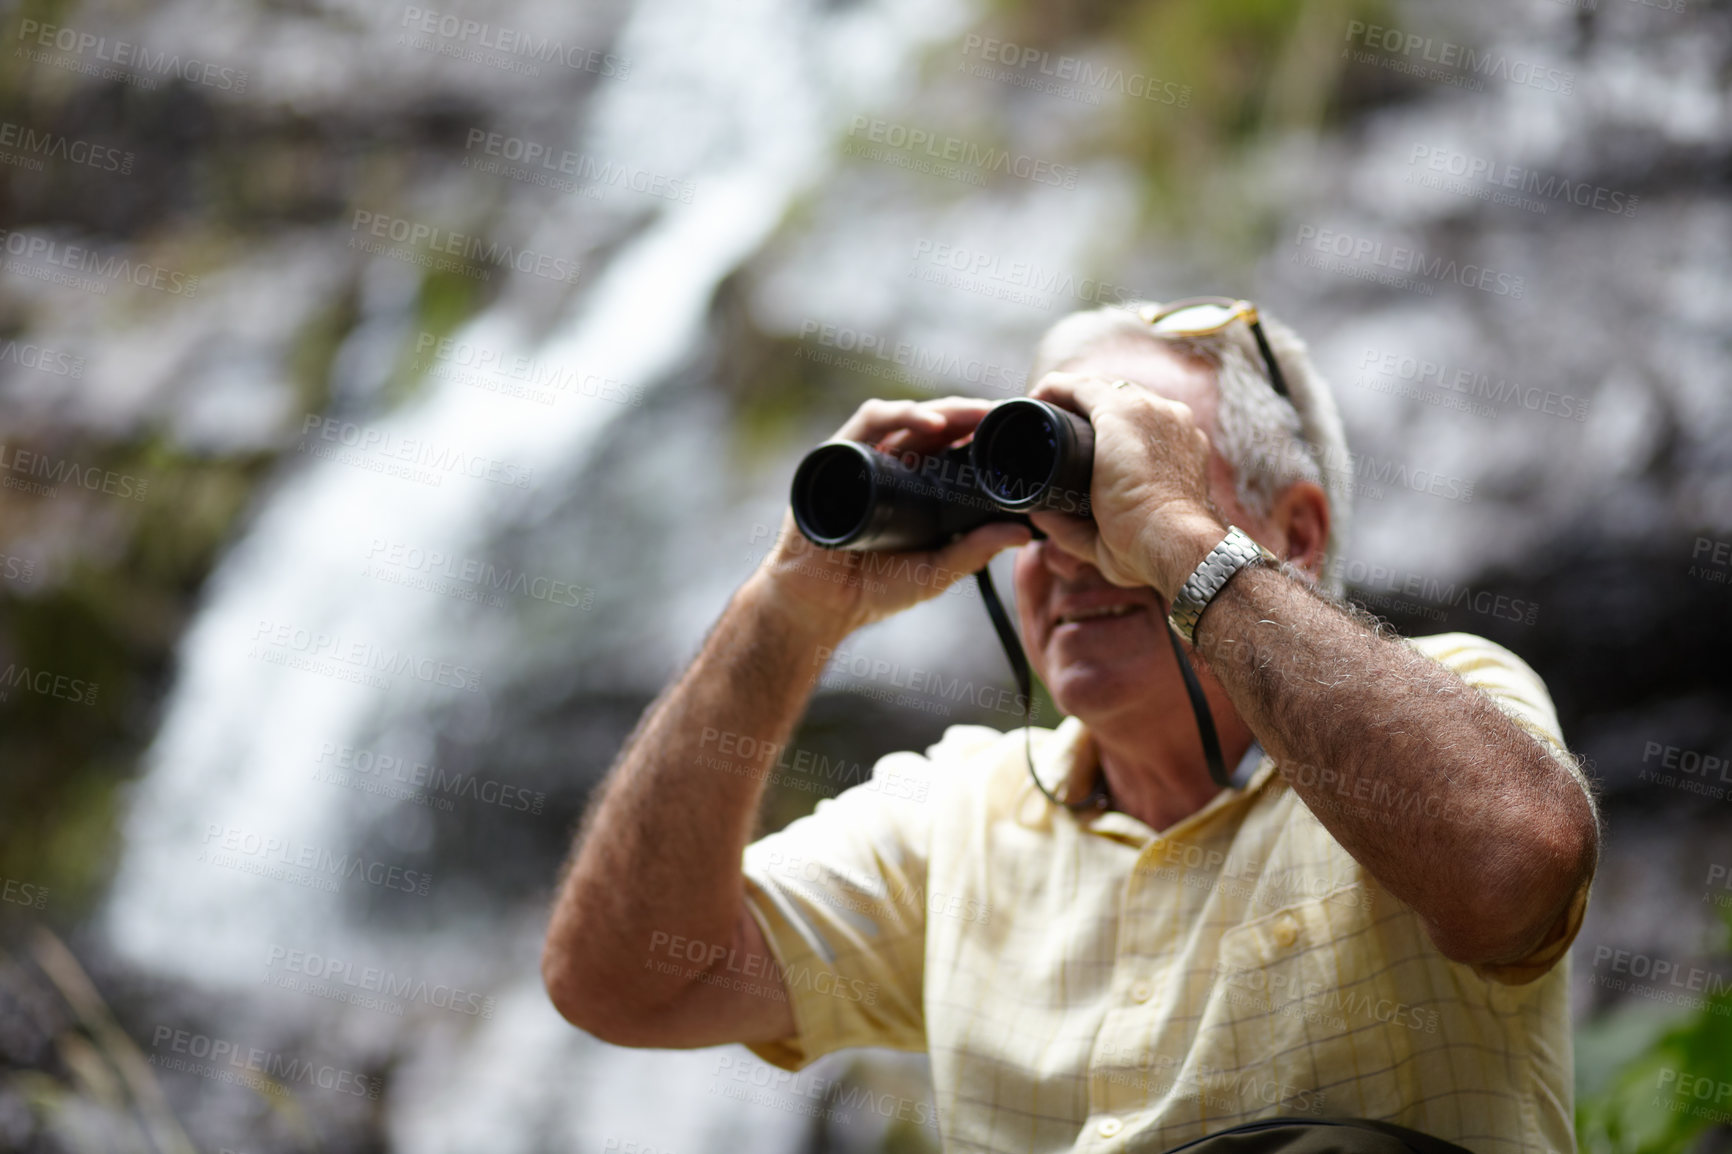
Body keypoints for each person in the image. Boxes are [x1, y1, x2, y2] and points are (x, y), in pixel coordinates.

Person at [541, 299, 1600, 1153]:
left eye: (1102, 492)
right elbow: (625, 978)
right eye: (1036, 505)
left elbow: (1514, 867)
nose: (1066, 550)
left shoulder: (1446, 703)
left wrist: (1173, 537)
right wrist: (788, 604)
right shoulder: (958, 817)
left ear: (1297, 531)